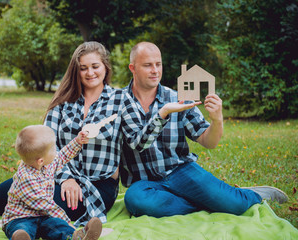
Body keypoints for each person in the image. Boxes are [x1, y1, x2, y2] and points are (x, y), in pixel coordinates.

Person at [0, 41, 198, 227]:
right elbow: (45, 146)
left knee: (48, 202)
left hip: (99, 185)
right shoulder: (64, 103)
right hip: (57, 175)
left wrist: (162, 113)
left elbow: (138, 142)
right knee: (17, 186)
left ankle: (22, 222)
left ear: (105, 68)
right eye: (84, 68)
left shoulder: (121, 100)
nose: (90, 73)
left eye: (95, 66)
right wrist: (65, 179)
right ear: (77, 70)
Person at [120, 41, 288, 218]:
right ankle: (207, 200)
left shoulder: (178, 98)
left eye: (158, 64)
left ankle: (249, 195)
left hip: (180, 171)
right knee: (135, 200)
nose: (155, 70)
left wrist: (217, 121)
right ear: (133, 68)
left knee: (236, 205)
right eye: (148, 65)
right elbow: (136, 144)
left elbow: (209, 142)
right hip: (145, 183)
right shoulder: (119, 103)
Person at [2, 125, 102, 240]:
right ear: (41, 160)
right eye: (53, 149)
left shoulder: (45, 164)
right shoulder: (26, 178)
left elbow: (62, 156)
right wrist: (68, 222)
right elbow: (47, 206)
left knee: (56, 226)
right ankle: (21, 237)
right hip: (20, 217)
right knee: (23, 228)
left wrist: (78, 142)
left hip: (43, 217)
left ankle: (76, 236)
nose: (56, 151)